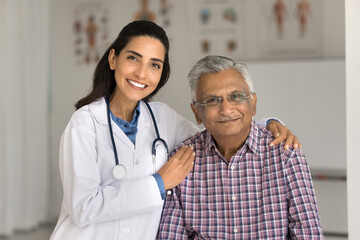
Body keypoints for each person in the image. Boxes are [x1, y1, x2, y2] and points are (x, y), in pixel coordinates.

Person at [50, 21, 299, 240]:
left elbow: (216, 131)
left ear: (161, 73)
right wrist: (159, 183)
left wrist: (268, 123)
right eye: (133, 58)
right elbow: (83, 208)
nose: (141, 73)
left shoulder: (161, 118)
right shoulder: (84, 123)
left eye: (154, 65)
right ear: (114, 59)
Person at [157, 55, 323, 239]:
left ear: (253, 103)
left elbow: (308, 234)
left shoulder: (286, 155)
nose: (226, 110)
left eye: (236, 97)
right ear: (197, 112)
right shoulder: (182, 160)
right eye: (212, 100)